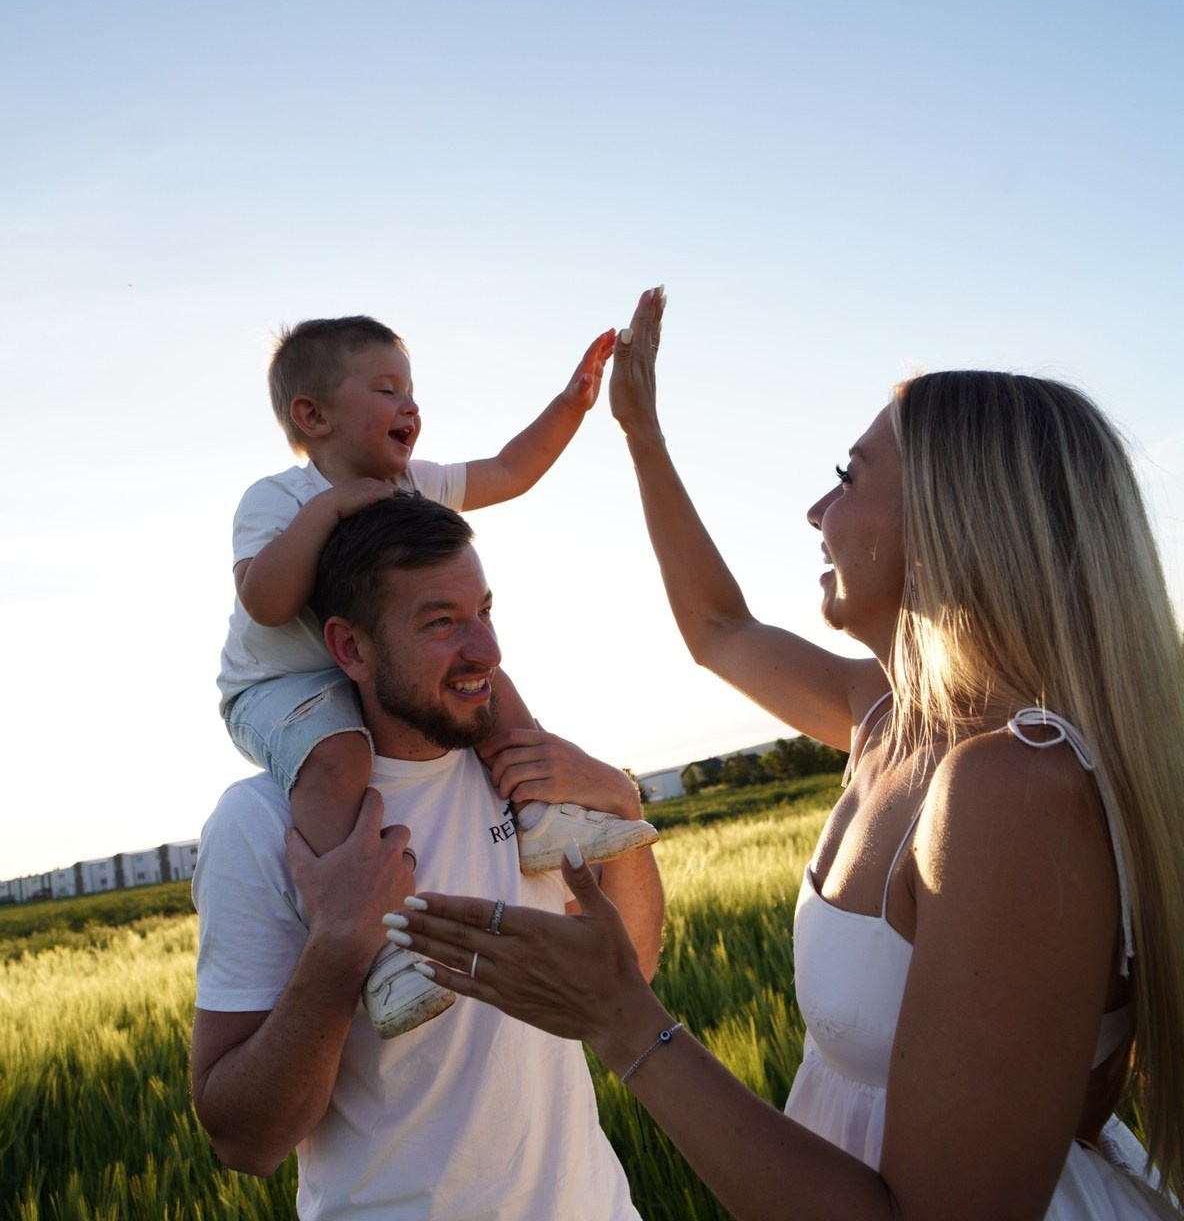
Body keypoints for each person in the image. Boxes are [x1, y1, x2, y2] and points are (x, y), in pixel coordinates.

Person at [385, 288, 1184, 1220]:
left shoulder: (1011, 787)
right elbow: (718, 628)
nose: (815, 509)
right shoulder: (889, 714)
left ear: (950, 522)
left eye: (848, 476)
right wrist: (642, 434)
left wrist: (620, 1017)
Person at [192, 491, 663, 1219]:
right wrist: (339, 949)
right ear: (351, 648)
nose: (488, 652)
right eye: (442, 623)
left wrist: (623, 813)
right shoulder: (261, 826)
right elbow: (245, 1141)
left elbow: (627, 975)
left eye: (485, 611)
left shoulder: (523, 773)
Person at [217, 316, 657, 1036]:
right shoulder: (281, 499)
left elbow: (509, 471)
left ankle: (540, 812)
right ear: (313, 415)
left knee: (493, 683)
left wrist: (572, 403)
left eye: (412, 389)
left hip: (363, 669)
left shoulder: (411, 484)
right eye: (387, 389)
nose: (410, 406)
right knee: (339, 757)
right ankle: (381, 946)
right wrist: (331, 510)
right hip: (280, 686)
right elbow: (265, 603)